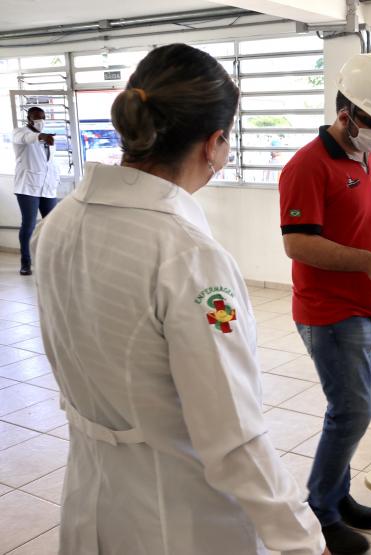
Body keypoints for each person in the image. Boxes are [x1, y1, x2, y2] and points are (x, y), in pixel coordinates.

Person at [32, 44, 326, 555]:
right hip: (177, 518)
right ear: (214, 143)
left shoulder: (58, 223)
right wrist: (302, 538)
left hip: (90, 499)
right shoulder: (189, 257)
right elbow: (233, 435)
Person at [279, 53, 371, 555]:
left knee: (351, 409)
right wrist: (369, 266)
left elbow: (368, 233)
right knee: (352, 411)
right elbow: (297, 243)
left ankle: (338, 494)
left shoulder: (367, 160)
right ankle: (320, 510)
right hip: (329, 310)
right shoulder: (306, 166)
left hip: (366, 305)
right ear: (346, 114)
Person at [12, 106, 59, 275]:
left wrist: (55, 179)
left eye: (43, 117)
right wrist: (40, 136)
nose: (40, 121)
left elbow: (50, 163)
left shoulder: (48, 137)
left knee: (52, 224)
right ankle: (26, 262)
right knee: (29, 224)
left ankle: (51, 260)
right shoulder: (20, 132)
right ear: (29, 119)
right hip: (27, 187)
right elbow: (26, 138)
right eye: (36, 118)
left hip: (47, 187)